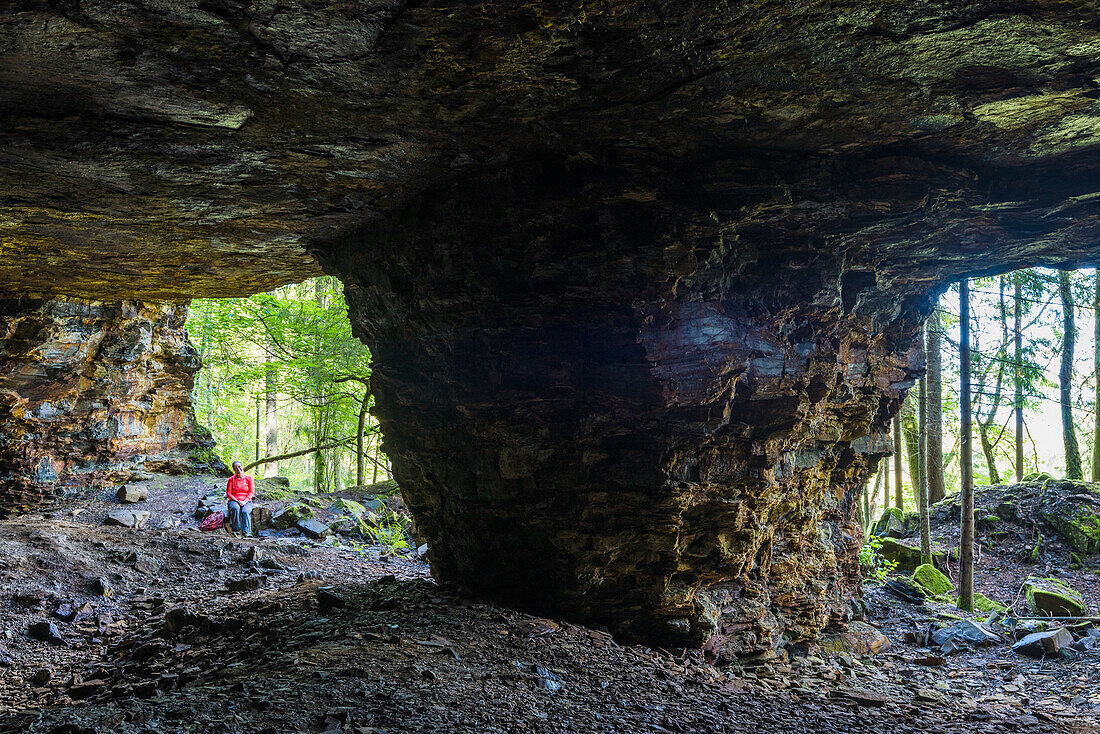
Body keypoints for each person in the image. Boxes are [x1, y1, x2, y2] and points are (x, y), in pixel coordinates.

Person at [225, 461, 255, 537]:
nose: (238, 469)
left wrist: (245, 501)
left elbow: (251, 492)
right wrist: (237, 501)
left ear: (242, 467)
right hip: (234, 500)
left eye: (239, 466)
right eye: (235, 468)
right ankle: (236, 530)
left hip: (247, 500)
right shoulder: (231, 479)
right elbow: (228, 493)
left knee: (246, 511)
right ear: (234, 470)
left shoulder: (249, 478)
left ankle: (247, 532)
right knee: (235, 508)